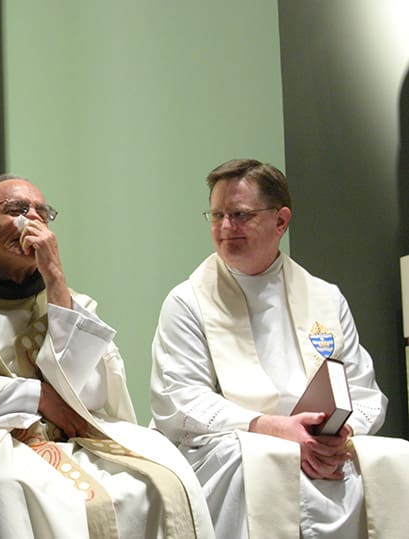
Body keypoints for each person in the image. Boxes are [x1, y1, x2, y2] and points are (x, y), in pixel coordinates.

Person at [0, 174, 214, 539]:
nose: (31, 220)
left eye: (41, 213)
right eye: (16, 210)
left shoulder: (73, 302)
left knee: (162, 474)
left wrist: (55, 278)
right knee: (4, 489)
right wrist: (36, 397)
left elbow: (89, 391)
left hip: (72, 438)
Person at [150, 158, 409, 538]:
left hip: (322, 444)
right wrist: (273, 428)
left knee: (396, 458)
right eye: (217, 215)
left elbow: (363, 391)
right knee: (256, 463)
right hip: (236, 443)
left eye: (240, 215)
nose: (225, 227)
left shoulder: (325, 298)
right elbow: (180, 398)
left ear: (281, 221)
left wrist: (339, 433)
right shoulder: (188, 301)